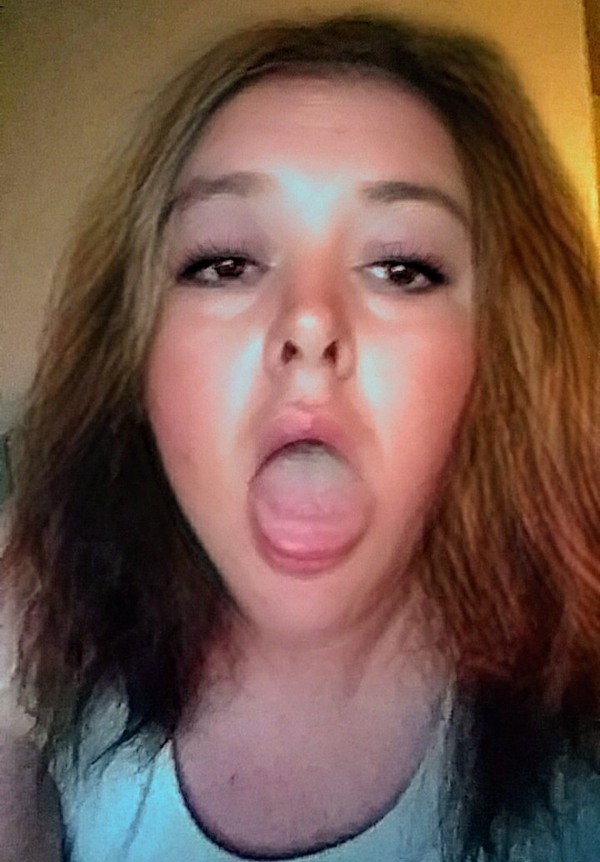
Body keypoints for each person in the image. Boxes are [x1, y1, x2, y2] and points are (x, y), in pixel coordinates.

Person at [2, 13, 599, 862]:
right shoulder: (39, 690)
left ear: (501, 359)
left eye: (403, 268)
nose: (310, 322)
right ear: (134, 358)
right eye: (225, 263)